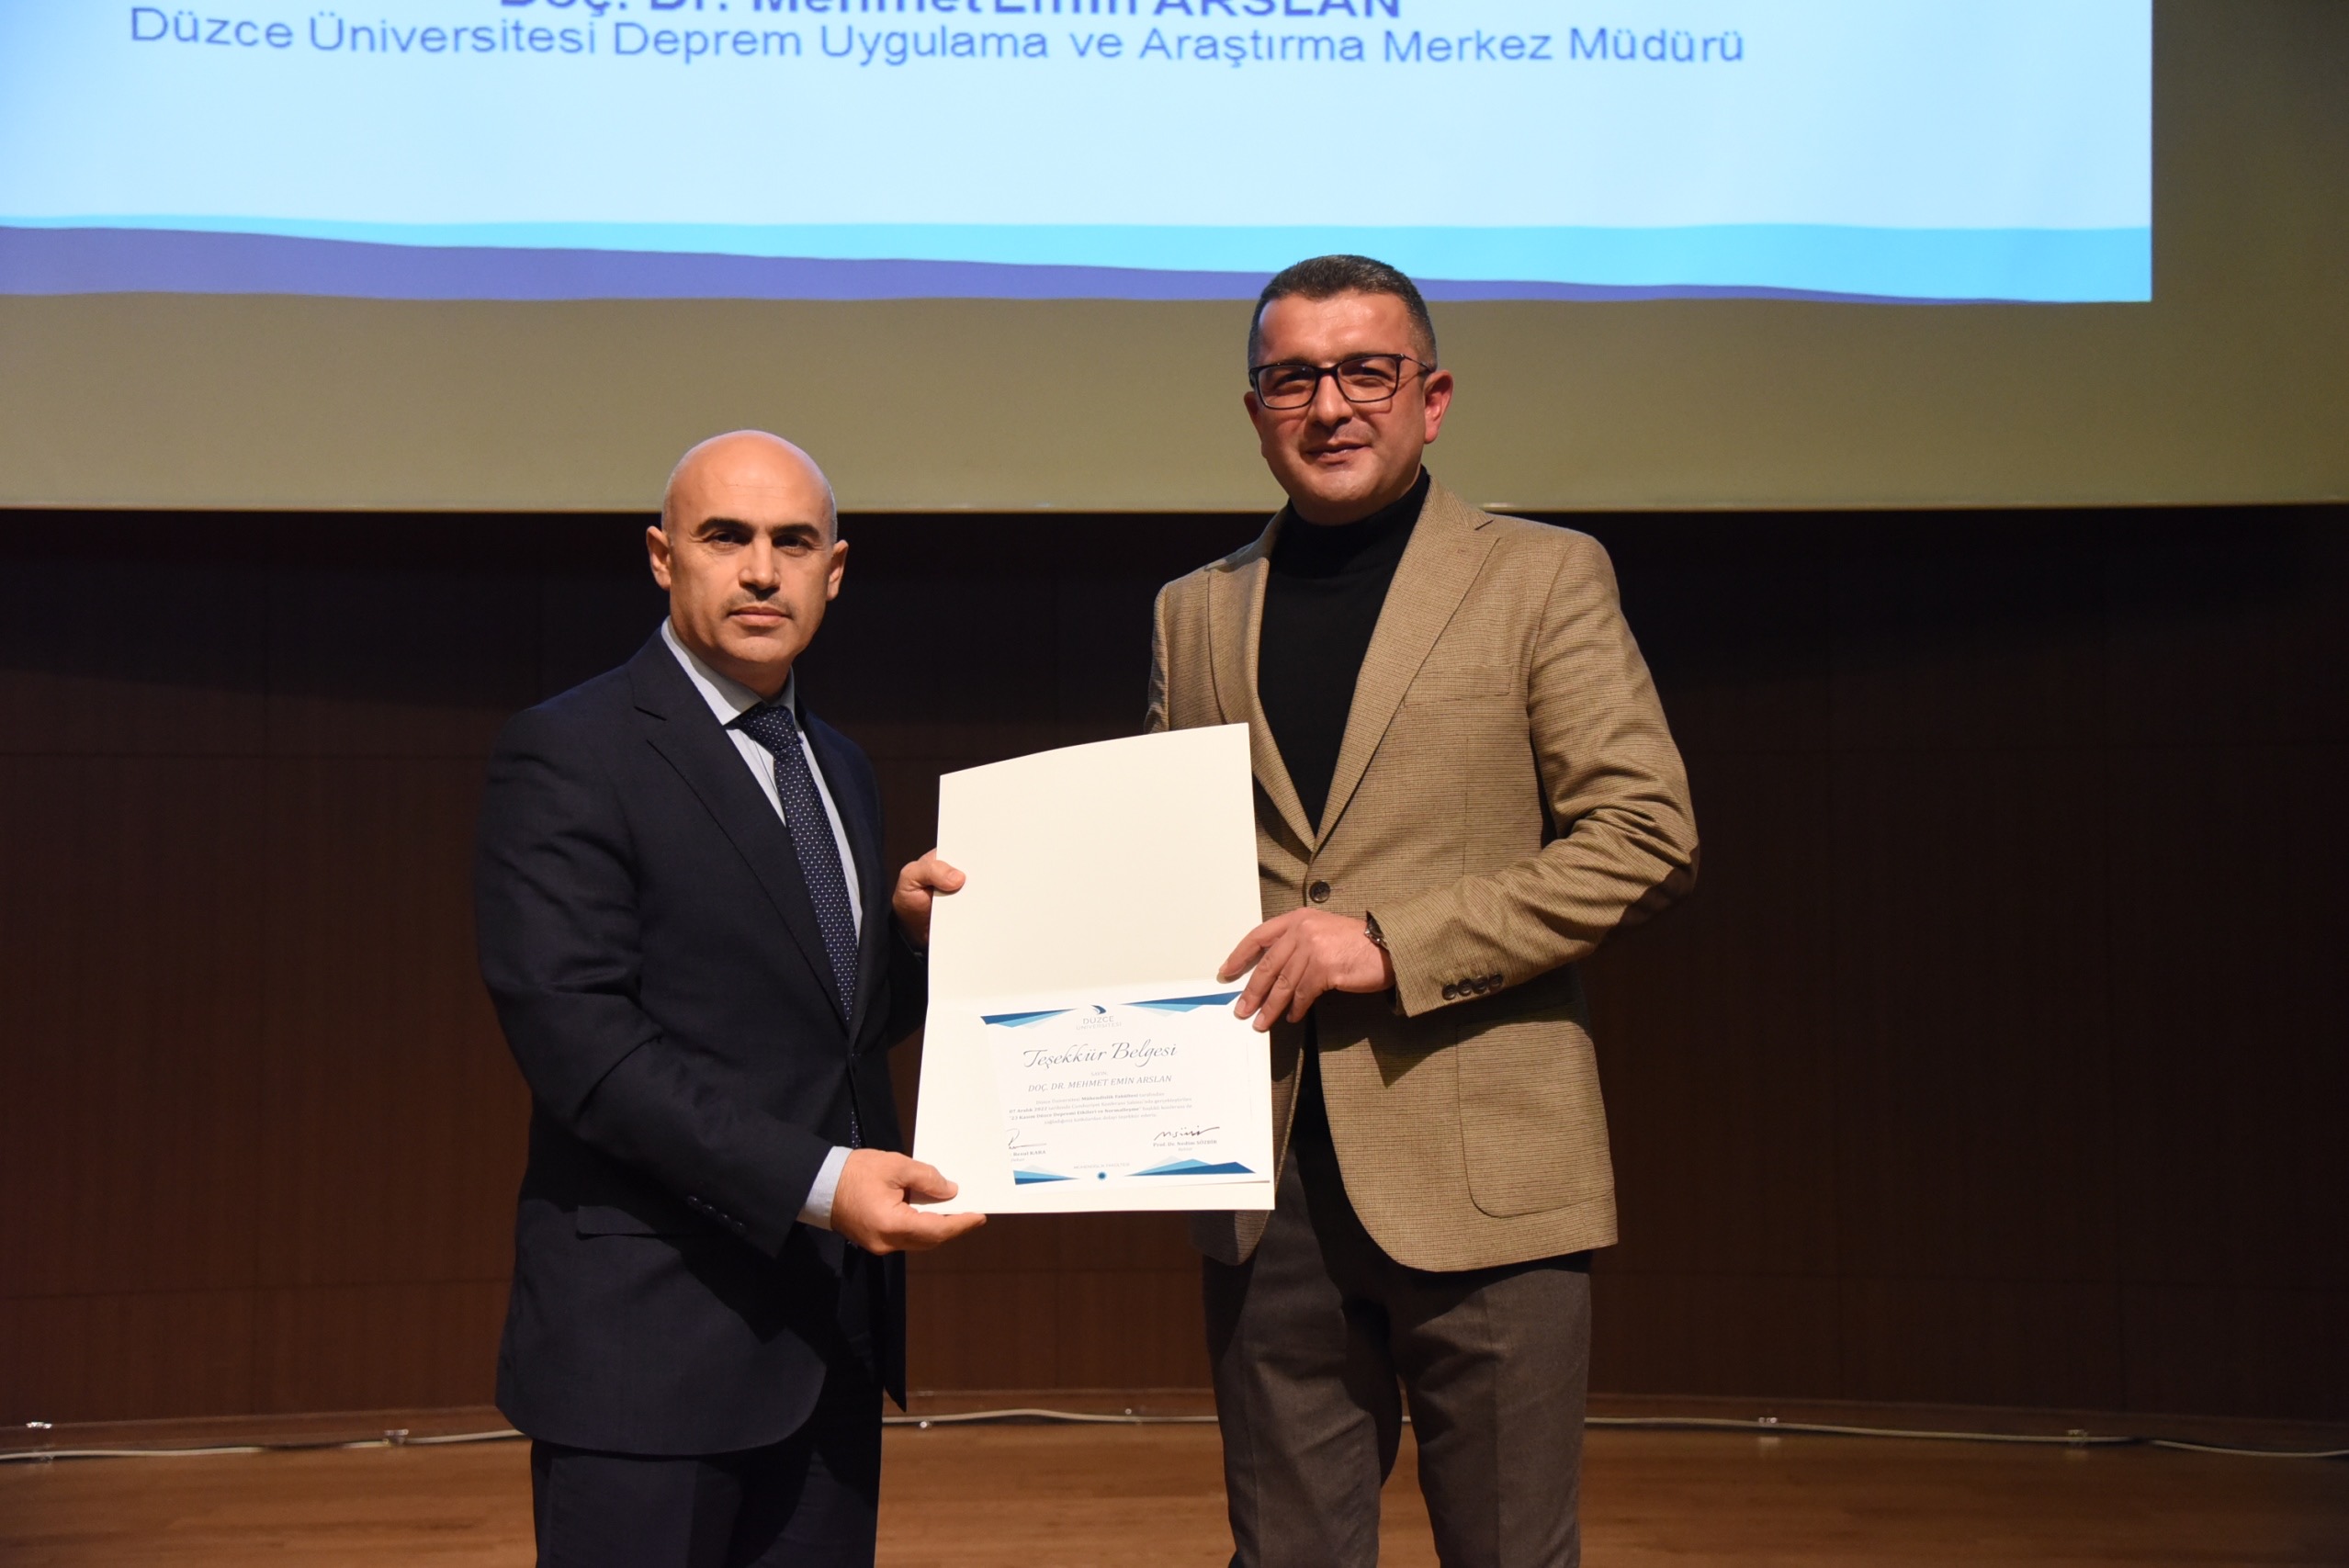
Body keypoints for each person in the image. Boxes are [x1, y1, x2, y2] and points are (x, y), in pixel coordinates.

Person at [1147, 256, 1700, 1567]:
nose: (1330, 405)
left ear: (1431, 397)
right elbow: (1163, 865)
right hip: (1262, 1177)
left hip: (1487, 1175)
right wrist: (994, 908)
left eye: (1366, 372)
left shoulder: (1543, 577)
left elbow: (1644, 836)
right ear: (1256, 411)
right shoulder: (1193, 609)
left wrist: (1390, 943)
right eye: (1294, 378)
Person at [474, 430, 983, 1568]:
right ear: (663, 558)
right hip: (646, 1352)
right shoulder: (568, 752)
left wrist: (904, 947)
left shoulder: (836, 764)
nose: (761, 571)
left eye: (792, 543)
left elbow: (822, 1029)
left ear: (833, 573)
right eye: (725, 538)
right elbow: (585, 1050)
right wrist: (823, 1184)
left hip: (828, 1339)